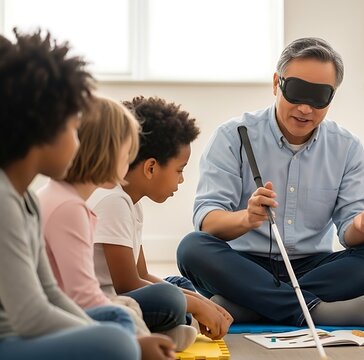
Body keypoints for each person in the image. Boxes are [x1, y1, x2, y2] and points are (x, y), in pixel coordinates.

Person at [177, 37, 364, 327]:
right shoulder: (233, 136)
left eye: (319, 97)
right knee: (192, 248)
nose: (305, 108)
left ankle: (252, 307)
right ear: (276, 84)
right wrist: (246, 218)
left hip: (313, 267)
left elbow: (349, 232)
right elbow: (207, 221)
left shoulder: (347, 147)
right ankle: (315, 311)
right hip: (244, 264)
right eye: (297, 92)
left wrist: (362, 226)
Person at [0, 29, 140, 359]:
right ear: (43, 126)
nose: (79, 144)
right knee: (117, 342)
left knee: (115, 321)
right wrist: (124, 342)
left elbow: (50, 292)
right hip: (10, 338)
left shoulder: (28, 199)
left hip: (25, 330)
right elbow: (32, 316)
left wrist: (102, 332)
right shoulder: (4, 202)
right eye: (74, 129)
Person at [37, 95, 180, 358]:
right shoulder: (70, 207)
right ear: (108, 152)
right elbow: (83, 297)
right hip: (59, 316)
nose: (130, 162)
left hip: (62, 309)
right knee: (122, 314)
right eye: (128, 153)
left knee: (129, 307)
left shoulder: (67, 199)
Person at [88, 95, 232, 342]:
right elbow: (128, 285)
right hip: (104, 303)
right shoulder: (113, 202)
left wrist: (202, 302)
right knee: (171, 299)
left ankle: (173, 326)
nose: (181, 179)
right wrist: (196, 306)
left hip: (124, 297)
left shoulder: (131, 204)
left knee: (179, 285)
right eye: (179, 170)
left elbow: (142, 272)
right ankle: (170, 328)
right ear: (151, 167)